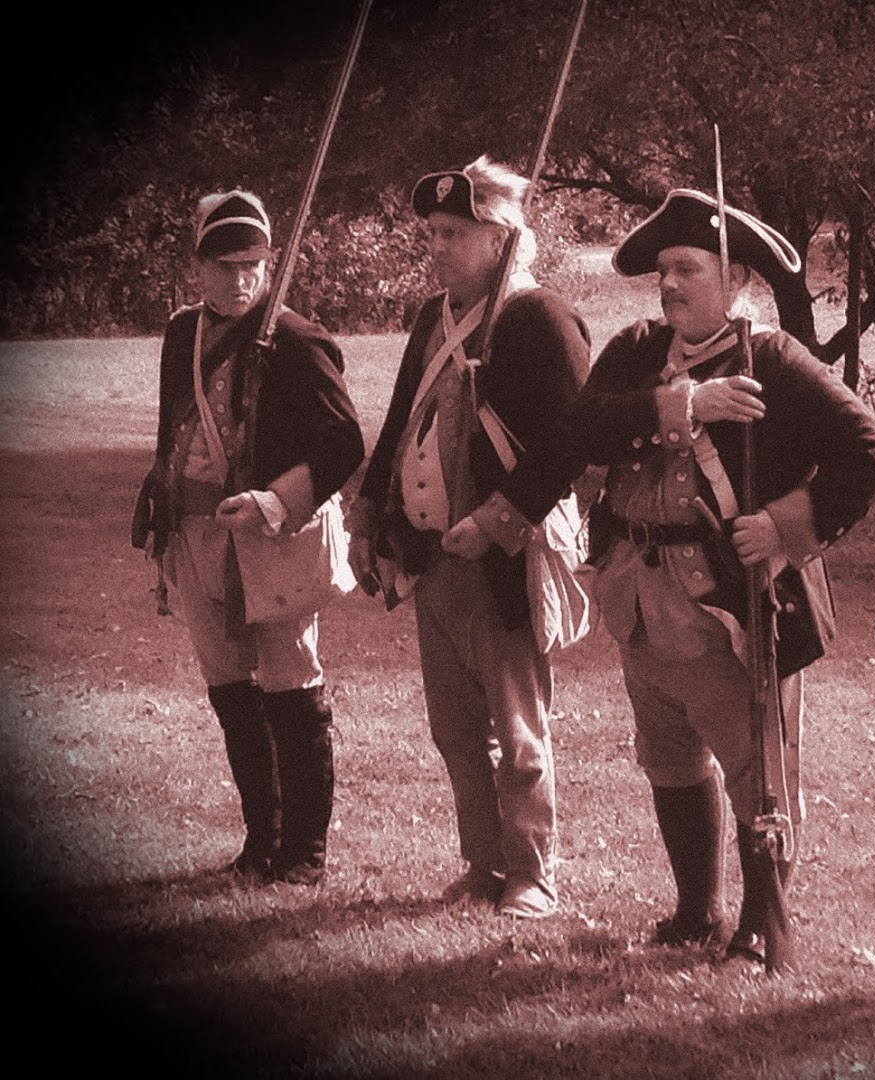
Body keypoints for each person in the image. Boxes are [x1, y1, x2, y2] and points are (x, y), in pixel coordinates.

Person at [571, 189, 875, 961]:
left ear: (736, 280)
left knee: (758, 771)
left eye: (688, 268)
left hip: (733, 604)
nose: (669, 284)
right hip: (639, 596)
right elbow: (580, 428)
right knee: (668, 758)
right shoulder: (637, 351)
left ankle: (760, 924)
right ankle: (695, 911)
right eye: (664, 270)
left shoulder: (774, 361)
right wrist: (687, 403)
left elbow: (869, 451)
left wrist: (784, 526)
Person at [347, 155, 590, 919]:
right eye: (434, 232)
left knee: (518, 733)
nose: (438, 247)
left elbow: (573, 443)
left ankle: (532, 873)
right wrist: (368, 511)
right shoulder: (435, 316)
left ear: (501, 237)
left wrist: (500, 519)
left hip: (504, 558)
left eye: (455, 232)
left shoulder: (537, 317)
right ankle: (484, 864)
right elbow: (400, 419)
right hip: (431, 556)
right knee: (456, 731)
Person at [135, 189, 365, 885]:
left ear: (270, 263)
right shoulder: (183, 333)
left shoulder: (296, 337)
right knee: (231, 689)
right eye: (224, 266)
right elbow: (174, 426)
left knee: (292, 687)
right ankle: (260, 841)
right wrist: (162, 510)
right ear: (197, 267)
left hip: (275, 536)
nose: (240, 279)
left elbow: (344, 444)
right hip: (197, 533)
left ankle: (305, 853)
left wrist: (274, 499)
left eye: (252, 265)